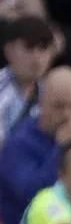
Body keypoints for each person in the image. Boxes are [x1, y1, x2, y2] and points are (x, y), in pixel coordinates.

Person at [0, 66, 71, 224]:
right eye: (59, 106)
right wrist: (61, 149)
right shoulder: (18, 144)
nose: (67, 115)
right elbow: (32, 195)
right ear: (42, 104)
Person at [0, 15, 52, 145]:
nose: (37, 58)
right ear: (8, 50)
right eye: (29, 48)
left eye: (43, 48)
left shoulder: (51, 92)